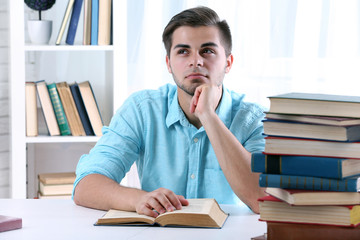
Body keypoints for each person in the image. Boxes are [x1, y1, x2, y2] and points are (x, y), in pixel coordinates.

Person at [73, 6, 266, 217]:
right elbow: (86, 185)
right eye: (183, 51)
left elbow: (262, 199)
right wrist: (139, 199)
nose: (196, 61)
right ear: (169, 63)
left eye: (207, 51)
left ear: (228, 63)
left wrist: (209, 116)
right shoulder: (142, 109)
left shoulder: (255, 120)